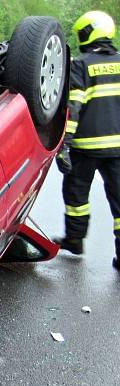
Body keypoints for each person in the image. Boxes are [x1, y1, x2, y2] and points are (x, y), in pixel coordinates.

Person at [55, 10, 120, 270]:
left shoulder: (82, 65)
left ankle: (74, 241)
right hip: (118, 149)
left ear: (88, 33)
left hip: (86, 147)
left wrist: (65, 144)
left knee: (76, 195)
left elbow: (75, 106)